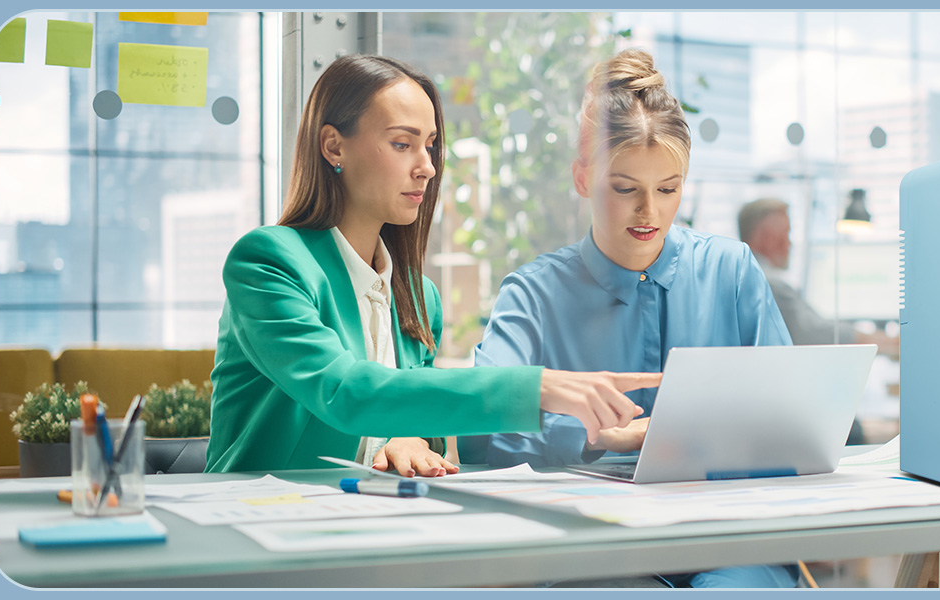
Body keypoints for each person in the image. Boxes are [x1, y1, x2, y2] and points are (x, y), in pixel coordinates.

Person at [206, 55, 652, 475]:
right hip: (258, 525)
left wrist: (410, 439)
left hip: (367, 523)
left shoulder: (420, 297)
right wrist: (537, 389)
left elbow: (417, 417)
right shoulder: (269, 262)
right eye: (403, 144)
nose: (427, 167)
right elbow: (345, 393)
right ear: (333, 146)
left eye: (431, 145)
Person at [474, 48, 799, 588]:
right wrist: (594, 435)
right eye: (625, 189)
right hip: (593, 547)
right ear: (582, 178)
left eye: (668, 189)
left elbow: (790, 415)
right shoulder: (531, 294)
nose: (650, 212)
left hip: (728, 537)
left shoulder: (732, 270)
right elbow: (489, 434)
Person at [738, 197, 896, 444]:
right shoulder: (768, 282)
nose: (790, 243)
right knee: (873, 429)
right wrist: (889, 344)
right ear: (768, 237)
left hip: (772, 405)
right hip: (781, 412)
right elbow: (813, 332)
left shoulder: (751, 274)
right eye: (786, 233)